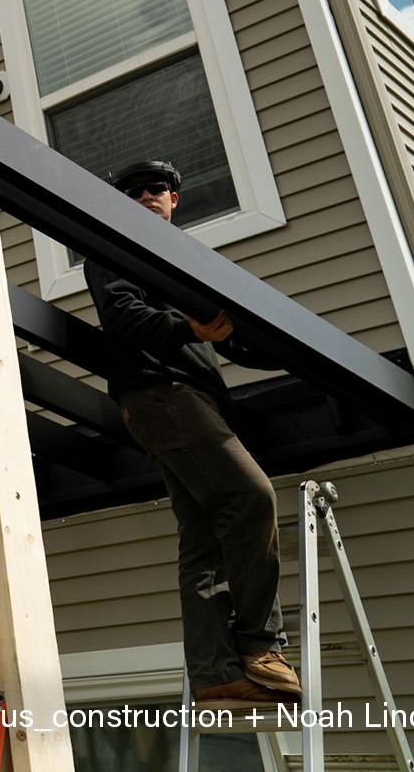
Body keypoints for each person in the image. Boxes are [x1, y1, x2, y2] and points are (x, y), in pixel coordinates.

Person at [85, 159, 303, 706]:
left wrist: (283, 350)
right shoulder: (114, 248)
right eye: (132, 190)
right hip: (162, 394)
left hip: (187, 399)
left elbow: (227, 336)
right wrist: (187, 328)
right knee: (251, 496)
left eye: (157, 188)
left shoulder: (181, 265)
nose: (145, 195)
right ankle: (261, 645)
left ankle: (216, 674)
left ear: (174, 199)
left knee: (205, 539)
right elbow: (125, 319)